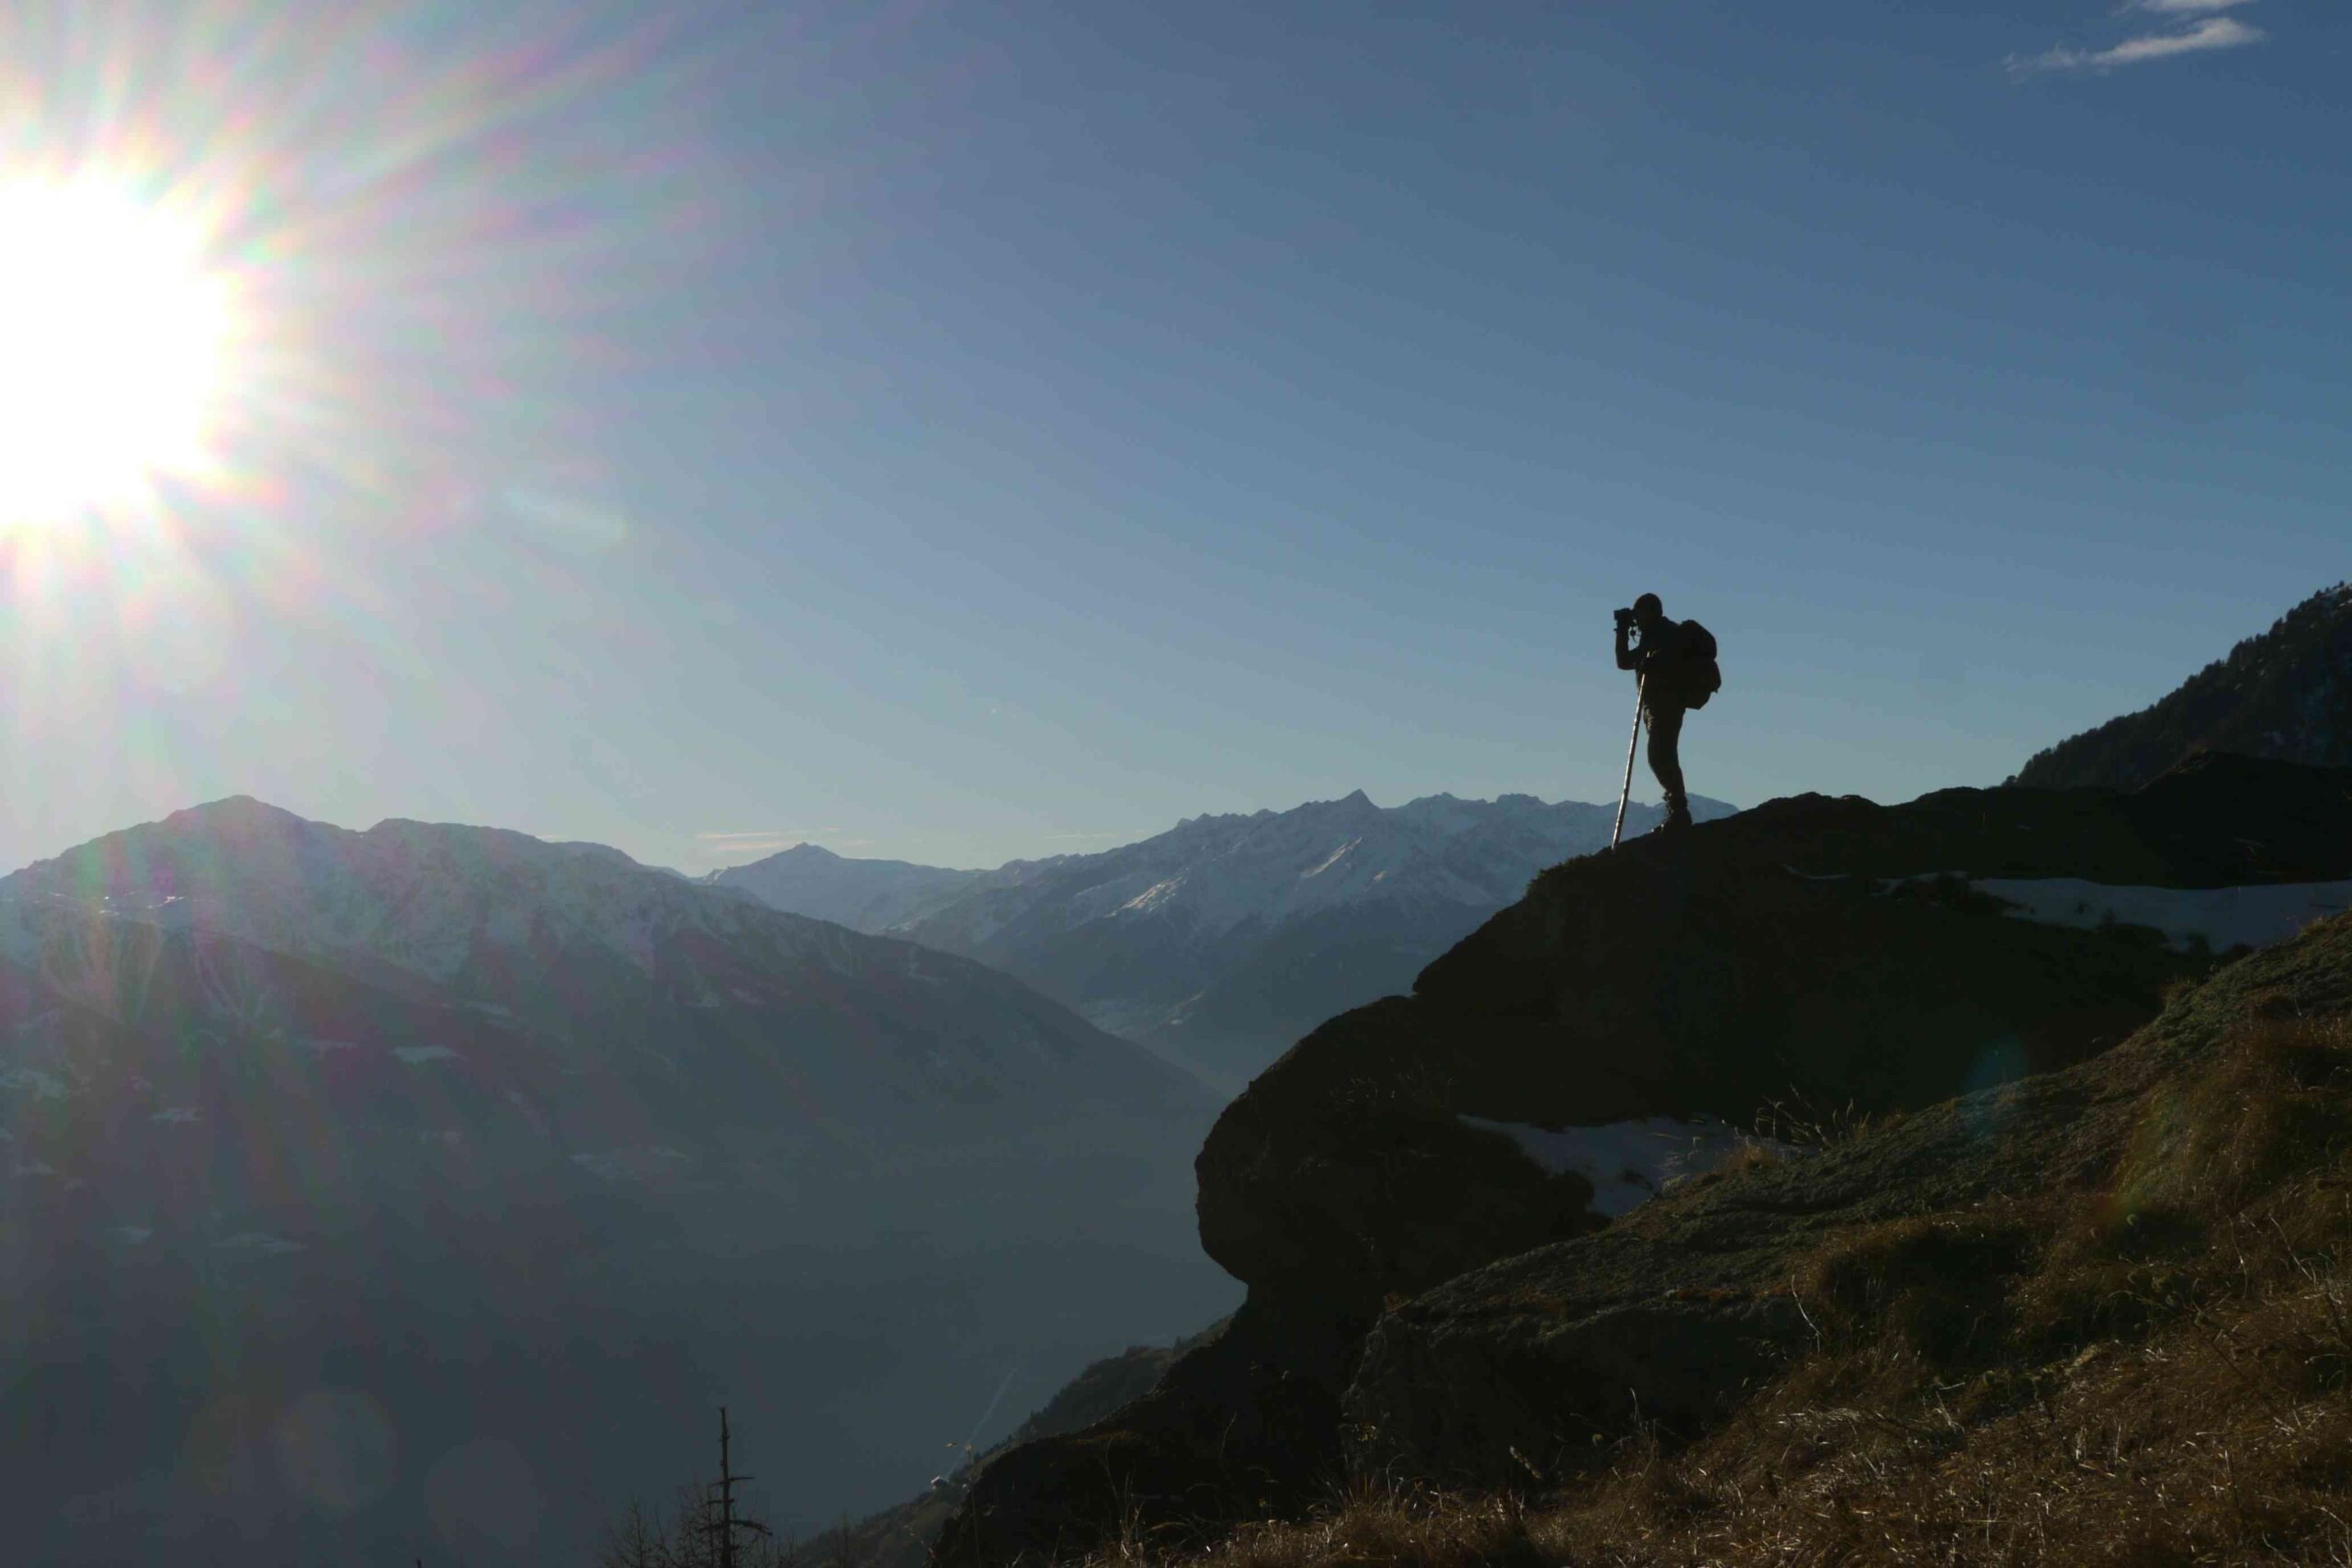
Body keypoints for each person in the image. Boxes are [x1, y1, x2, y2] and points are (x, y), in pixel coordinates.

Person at [1613, 592, 1710, 832]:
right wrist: (1622, 631)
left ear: (1651, 612)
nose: (1636, 618)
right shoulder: (1652, 636)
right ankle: (1678, 810)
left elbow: (1666, 660)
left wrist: (1657, 661)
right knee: (1662, 755)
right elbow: (1624, 661)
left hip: (1666, 705)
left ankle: (1679, 811)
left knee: (1660, 755)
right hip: (1654, 706)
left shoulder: (1668, 634)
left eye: (1639, 613)